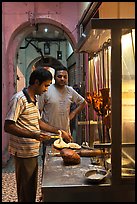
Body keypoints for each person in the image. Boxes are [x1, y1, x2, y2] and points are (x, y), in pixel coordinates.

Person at [4, 68, 72, 202]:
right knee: (26, 190)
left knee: (31, 188)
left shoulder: (33, 99)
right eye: (46, 85)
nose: (47, 89)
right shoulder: (19, 99)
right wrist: (33, 135)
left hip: (32, 151)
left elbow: (38, 122)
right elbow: (8, 126)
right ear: (36, 82)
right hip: (23, 153)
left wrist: (59, 131)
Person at [38, 66, 87, 148]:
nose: (62, 79)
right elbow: (38, 115)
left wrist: (73, 114)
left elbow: (83, 102)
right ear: (54, 77)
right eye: (59, 76)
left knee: (66, 157)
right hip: (50, 136)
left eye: (65, 77)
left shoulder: (70, 91)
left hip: (66, 135)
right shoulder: (46, 90)